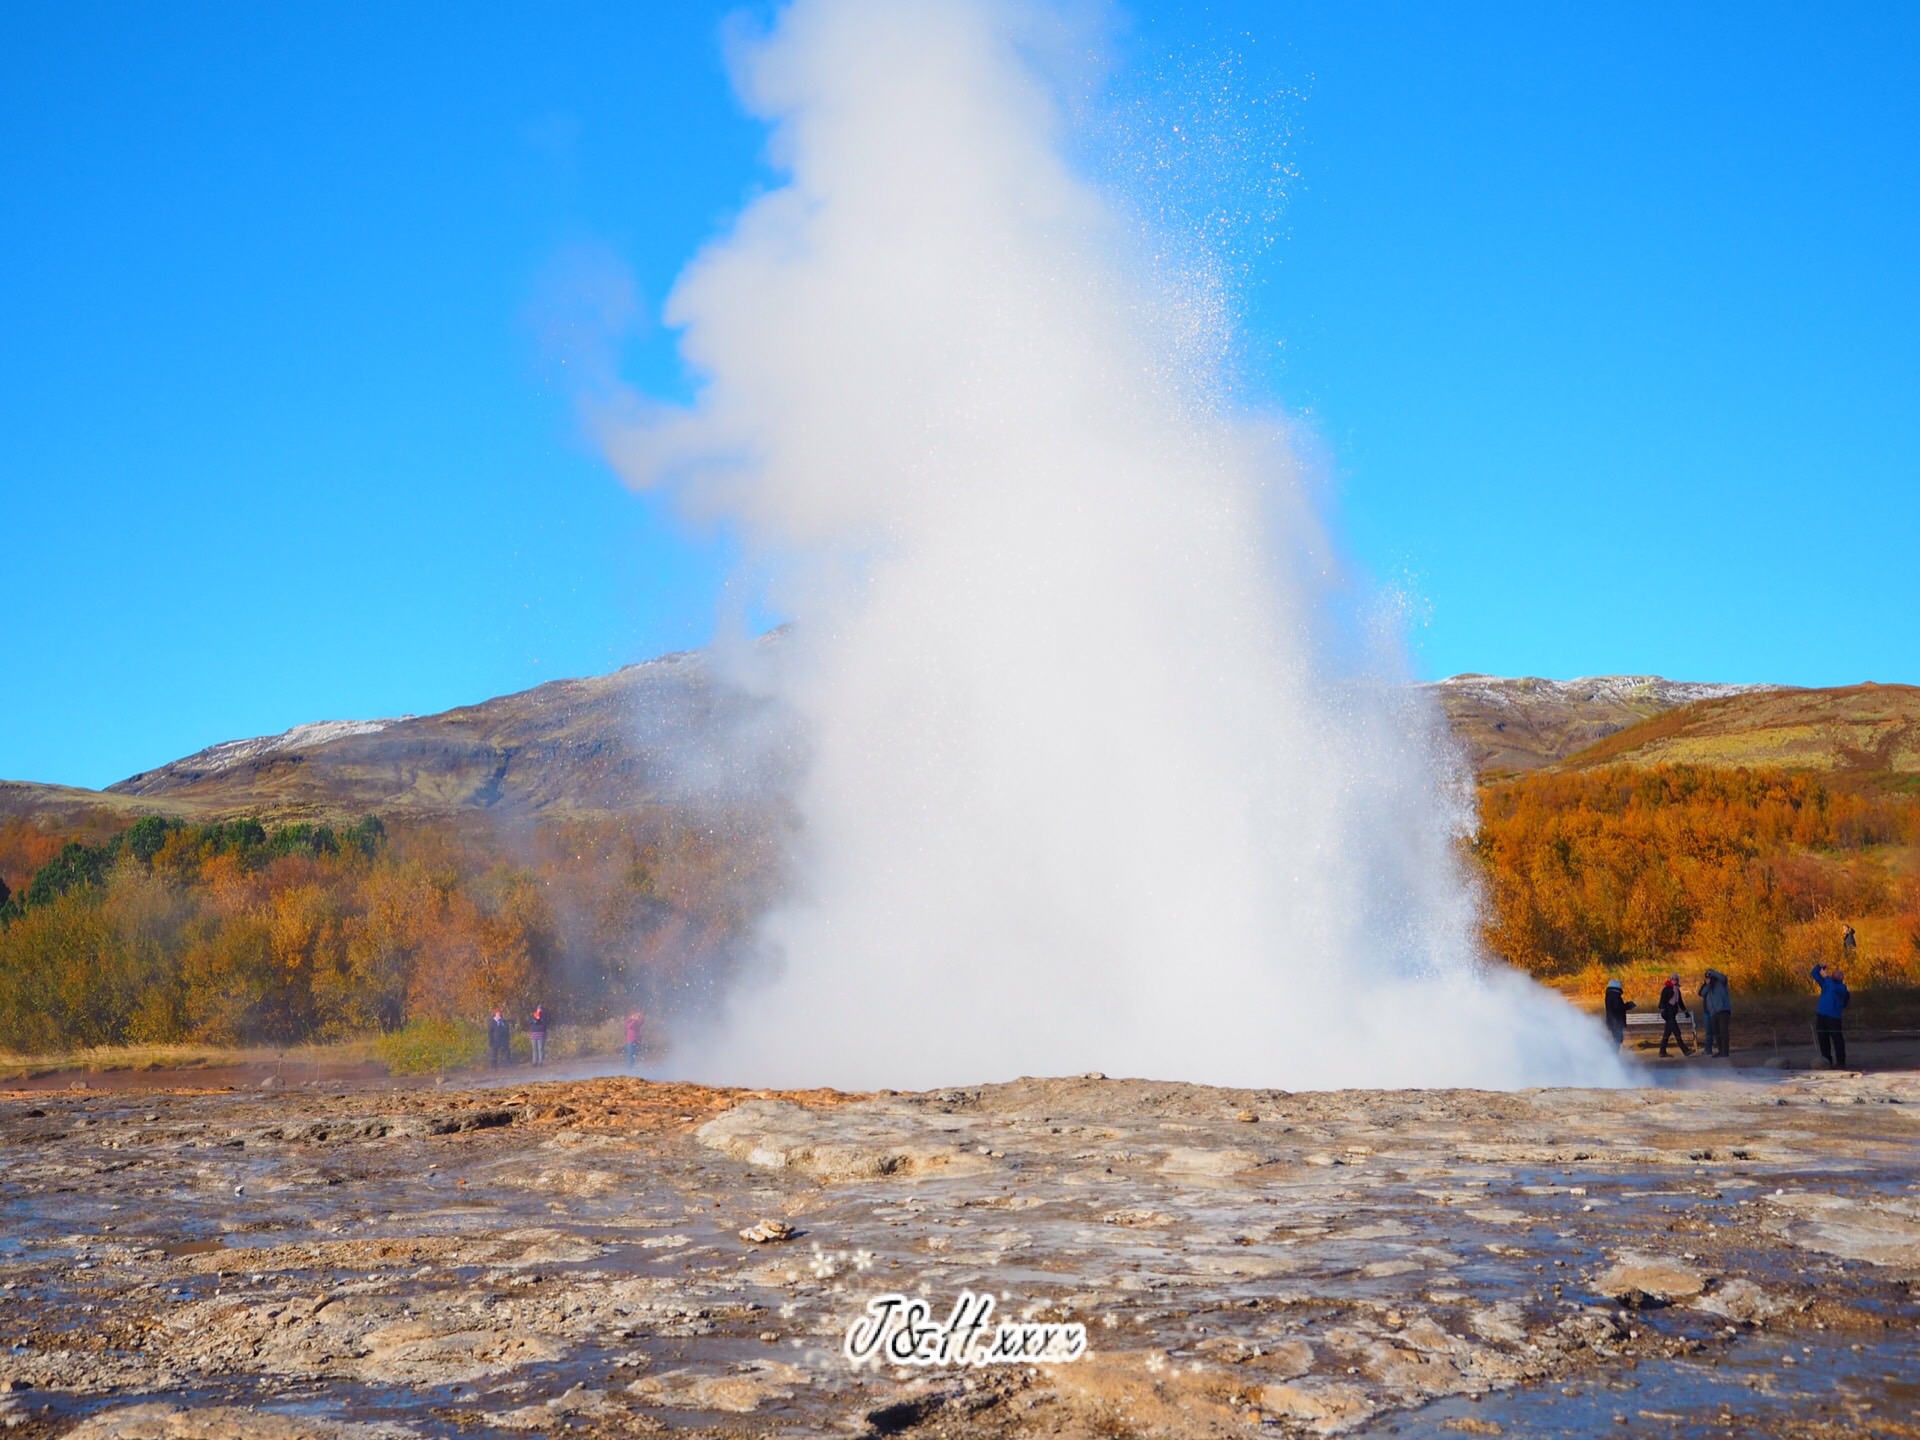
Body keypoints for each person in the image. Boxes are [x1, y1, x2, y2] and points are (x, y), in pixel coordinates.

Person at [1811, 963, 1850, 1069]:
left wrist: (1826, 977)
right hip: (1821, 1016)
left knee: (1837, 1040)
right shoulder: (1826, 984)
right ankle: (1826, 1060)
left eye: (1841, 974)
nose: (1840, 975)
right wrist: (1820, 967)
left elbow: (1833, 989)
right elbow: (1813, 974)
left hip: (1834, 1018)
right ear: (1833, 976)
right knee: (1823, 1039)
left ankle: (1841, 1062)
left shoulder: (1842, 987)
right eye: (1837, 974)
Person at [1698, 969, 1732, 1058]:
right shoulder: (1708, 987)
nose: (1709, 978)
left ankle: (1725, 1052)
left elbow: (1724, 978)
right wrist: (1707, 984)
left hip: (1723, 1010)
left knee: (1723, 1031)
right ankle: (1721, 1051)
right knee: (1716, 1033)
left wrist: (1713, 973)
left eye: (1710, 977)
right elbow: (1702, 993)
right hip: (1713, 1013)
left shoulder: (1721, 983)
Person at [1656, 973, 1692, 1057]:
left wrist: (1685, 1011)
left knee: (1667, 1033)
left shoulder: (1677, 990)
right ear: (1670, 979)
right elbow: (1662, 1001)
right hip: (1667, 1014)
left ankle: (1662, 1052)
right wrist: (1663, 1010)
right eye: (1673, 979)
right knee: (1676, 1032)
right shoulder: (1667, 989)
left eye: (1676, 979)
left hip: (1672, 1014)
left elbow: (1680, 1002)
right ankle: (1685, 1050)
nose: (1674, 981)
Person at [1603, 979, 1635, 1050]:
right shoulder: (1615, 996)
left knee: (1617, 1038)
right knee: (1618, 1039)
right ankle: (1611, 1054)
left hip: (1612, 1020)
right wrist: (1628, 1005)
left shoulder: (1609, 995)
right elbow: (1618, 1008)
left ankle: (1611, 1054)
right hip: (1616, 1021)